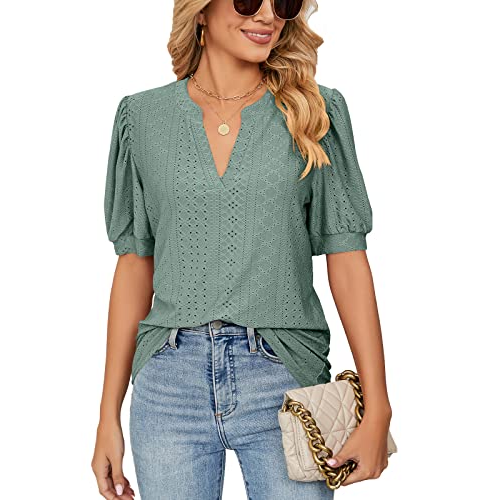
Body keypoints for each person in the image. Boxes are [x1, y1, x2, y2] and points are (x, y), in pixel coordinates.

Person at [91, 0, 393, 498]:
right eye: (250, 0)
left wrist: (377, 404)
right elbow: (134, 264)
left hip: (285, 377)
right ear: (201, 11)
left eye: (284, 3)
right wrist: (108, 414)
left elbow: (347, 259)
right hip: (168, 385)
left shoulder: (314, 111)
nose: (268, 15)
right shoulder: (141, 117)